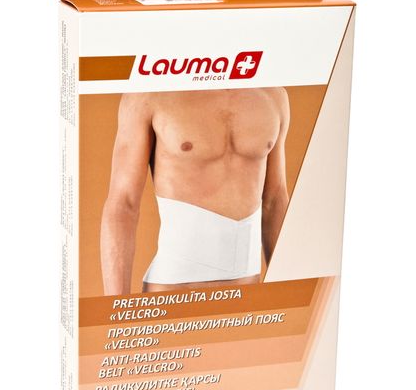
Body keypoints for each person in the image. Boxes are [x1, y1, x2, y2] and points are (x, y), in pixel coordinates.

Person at [101, 87, 290, 294]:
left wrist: (285, 291)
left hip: (247, 293)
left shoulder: (273, 96)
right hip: (173, 293)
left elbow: (275, 200)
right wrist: (115, 305)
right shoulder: (149, 95)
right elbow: (123, 203)